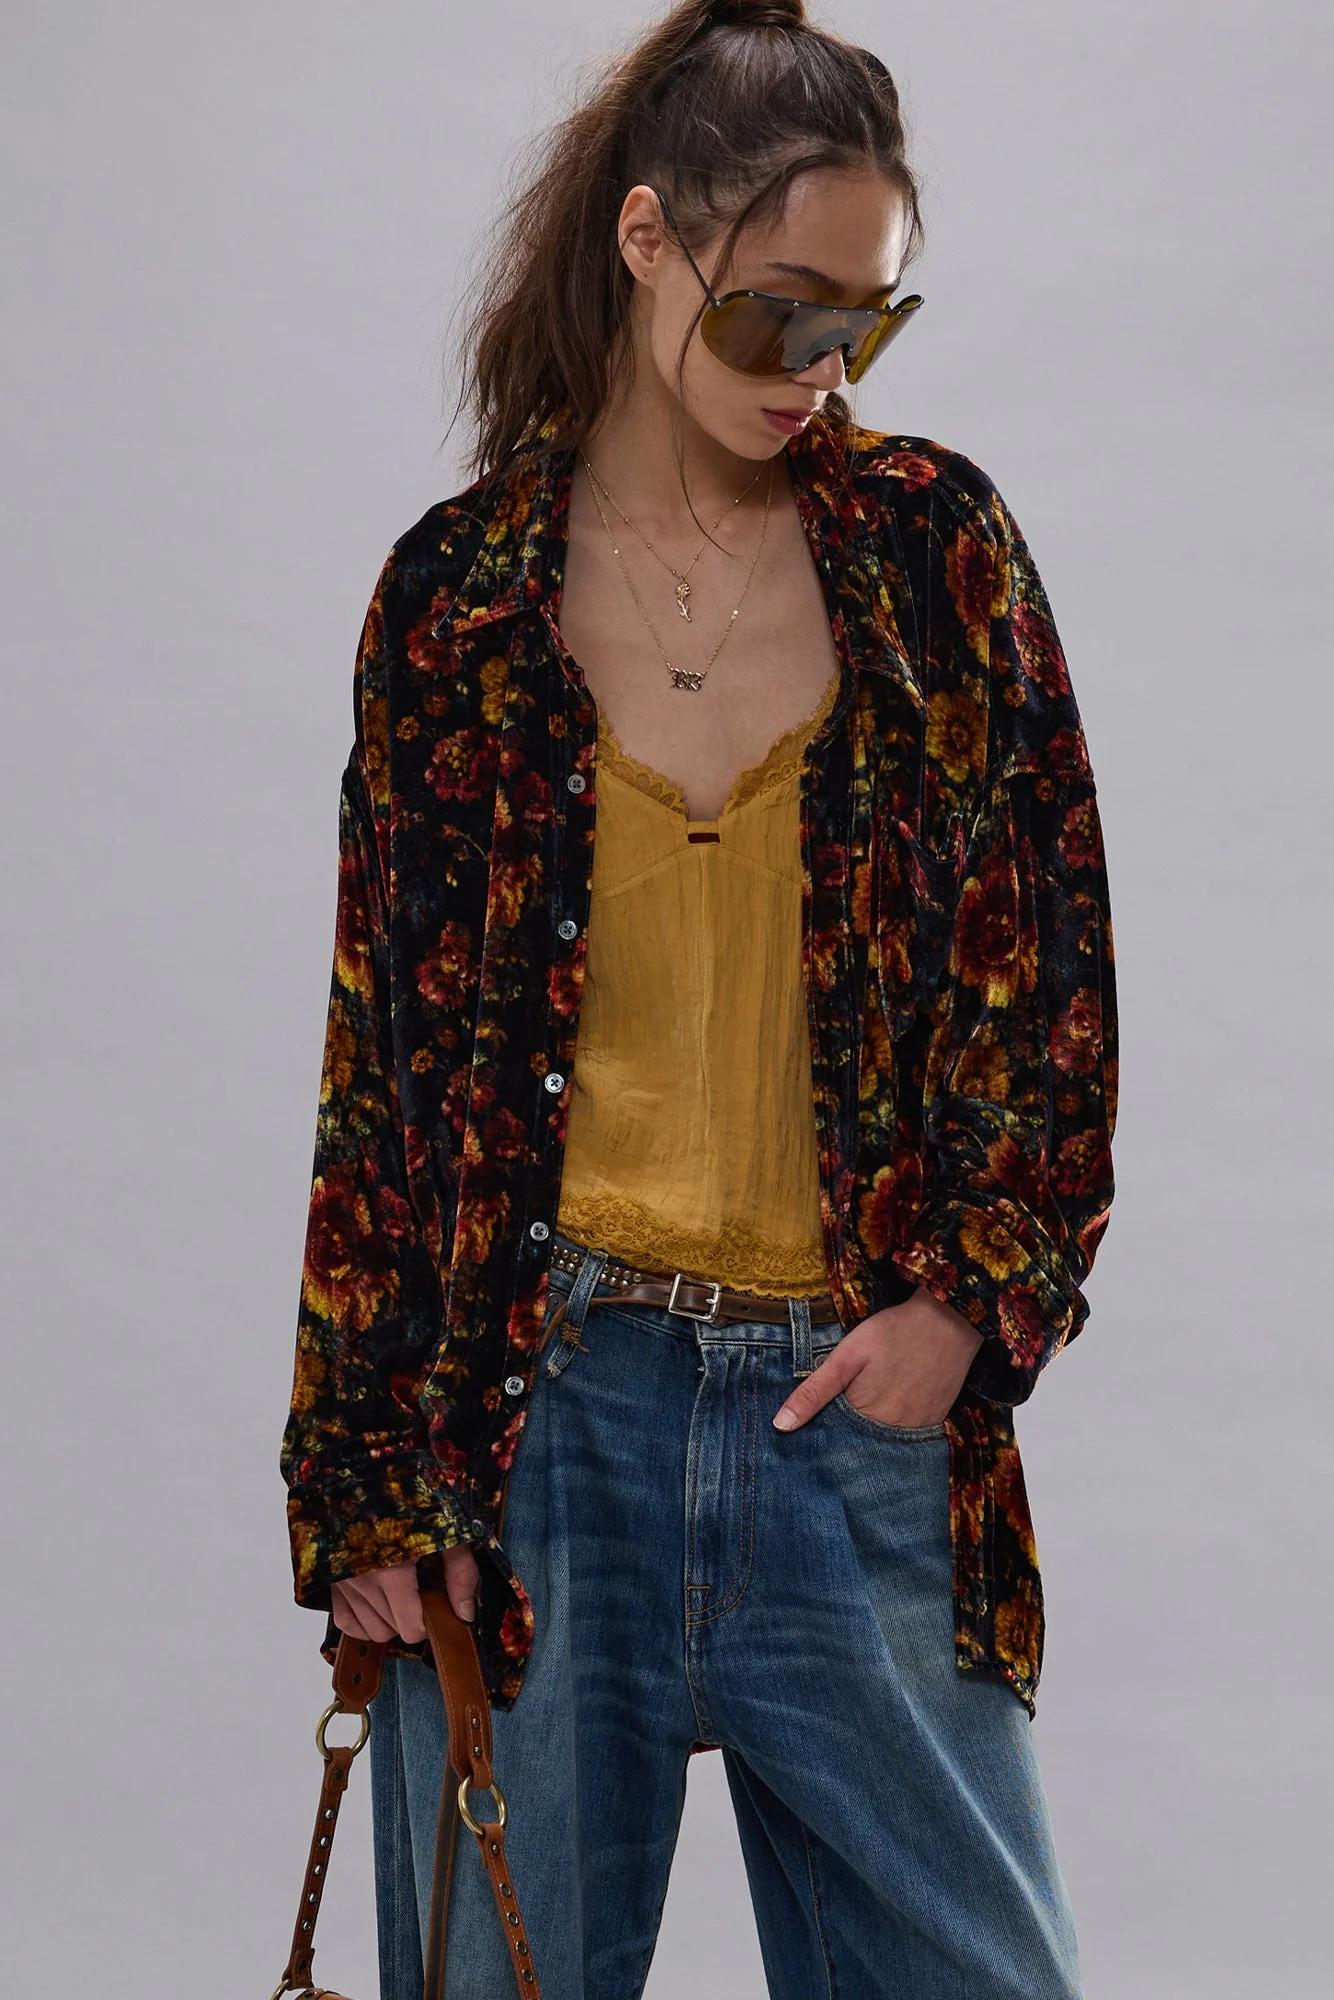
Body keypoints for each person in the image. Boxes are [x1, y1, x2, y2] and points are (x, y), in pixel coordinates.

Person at [280, 2, 1118, 1995]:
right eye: (777, 314)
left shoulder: (936, 555)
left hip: (853, 1421)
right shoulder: (459, 599)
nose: (816, 370)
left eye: (863, 323)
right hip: (534, 1427)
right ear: (647, 239)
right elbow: (381, 1072)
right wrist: (370, 1474)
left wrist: (966, 1306)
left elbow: (1054, 989)